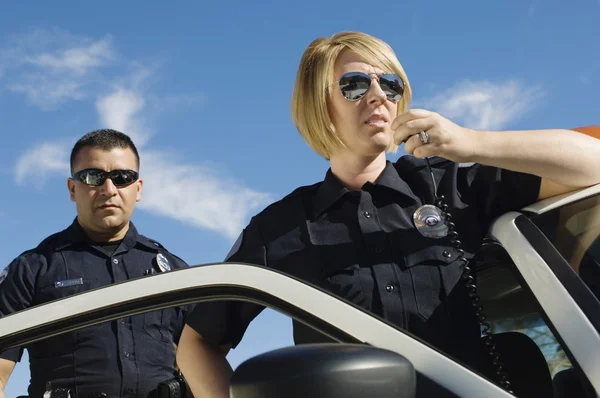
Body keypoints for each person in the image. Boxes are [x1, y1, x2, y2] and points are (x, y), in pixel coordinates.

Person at [176, 31, 600, 398]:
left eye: (390, 85)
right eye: (356, 84)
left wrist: (471, 142)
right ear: (318, 104)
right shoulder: (279, 228)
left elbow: (593, 164)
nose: (379, 96)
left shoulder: (451, 185)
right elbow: (196, 345)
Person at [0, 129, 190, 398]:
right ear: (72, 188)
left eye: (122, 178)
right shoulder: (33, 269)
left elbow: (204, 360)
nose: (108, 189)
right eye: (93, 177)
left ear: (138, 189)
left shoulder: (174, 273)